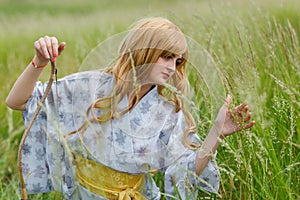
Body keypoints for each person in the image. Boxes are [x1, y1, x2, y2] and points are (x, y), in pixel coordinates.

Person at [6, 17, 255, 199]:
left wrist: (216, 133)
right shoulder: (89, 87)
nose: (172, 66)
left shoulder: (168, 112)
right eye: (166, 56)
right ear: (145, 49)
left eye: (178, 61)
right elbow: (17, 101)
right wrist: (38, 62)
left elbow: (183, 172)